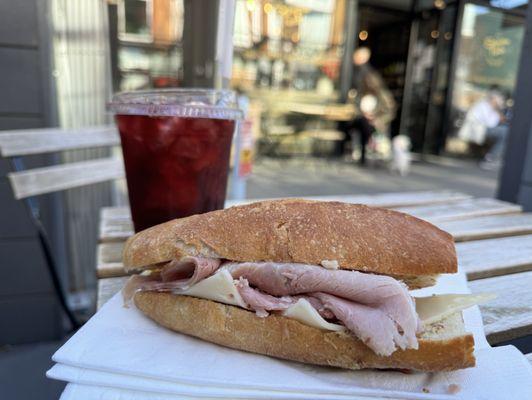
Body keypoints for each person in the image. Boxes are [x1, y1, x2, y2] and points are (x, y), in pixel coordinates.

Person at [339, 47, 396, 165]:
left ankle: (365, 154)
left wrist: (376, 119)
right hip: (361, 118)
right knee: (353, 125)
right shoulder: (358, 81)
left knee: (365, 127)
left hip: (375, 122)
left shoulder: (379, 92)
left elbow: (389, 110)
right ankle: (356, 153)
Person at [458, 88, 509, 169]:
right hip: (479, 130)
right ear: (493, 99)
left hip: (482, 129)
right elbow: (491, 123)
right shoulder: (484, 106)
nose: (499, 103)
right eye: (498, 101)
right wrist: (497, 111)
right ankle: (491, 158)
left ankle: (495, 157)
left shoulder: (489, 107)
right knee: (506, 133)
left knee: (505, 132)